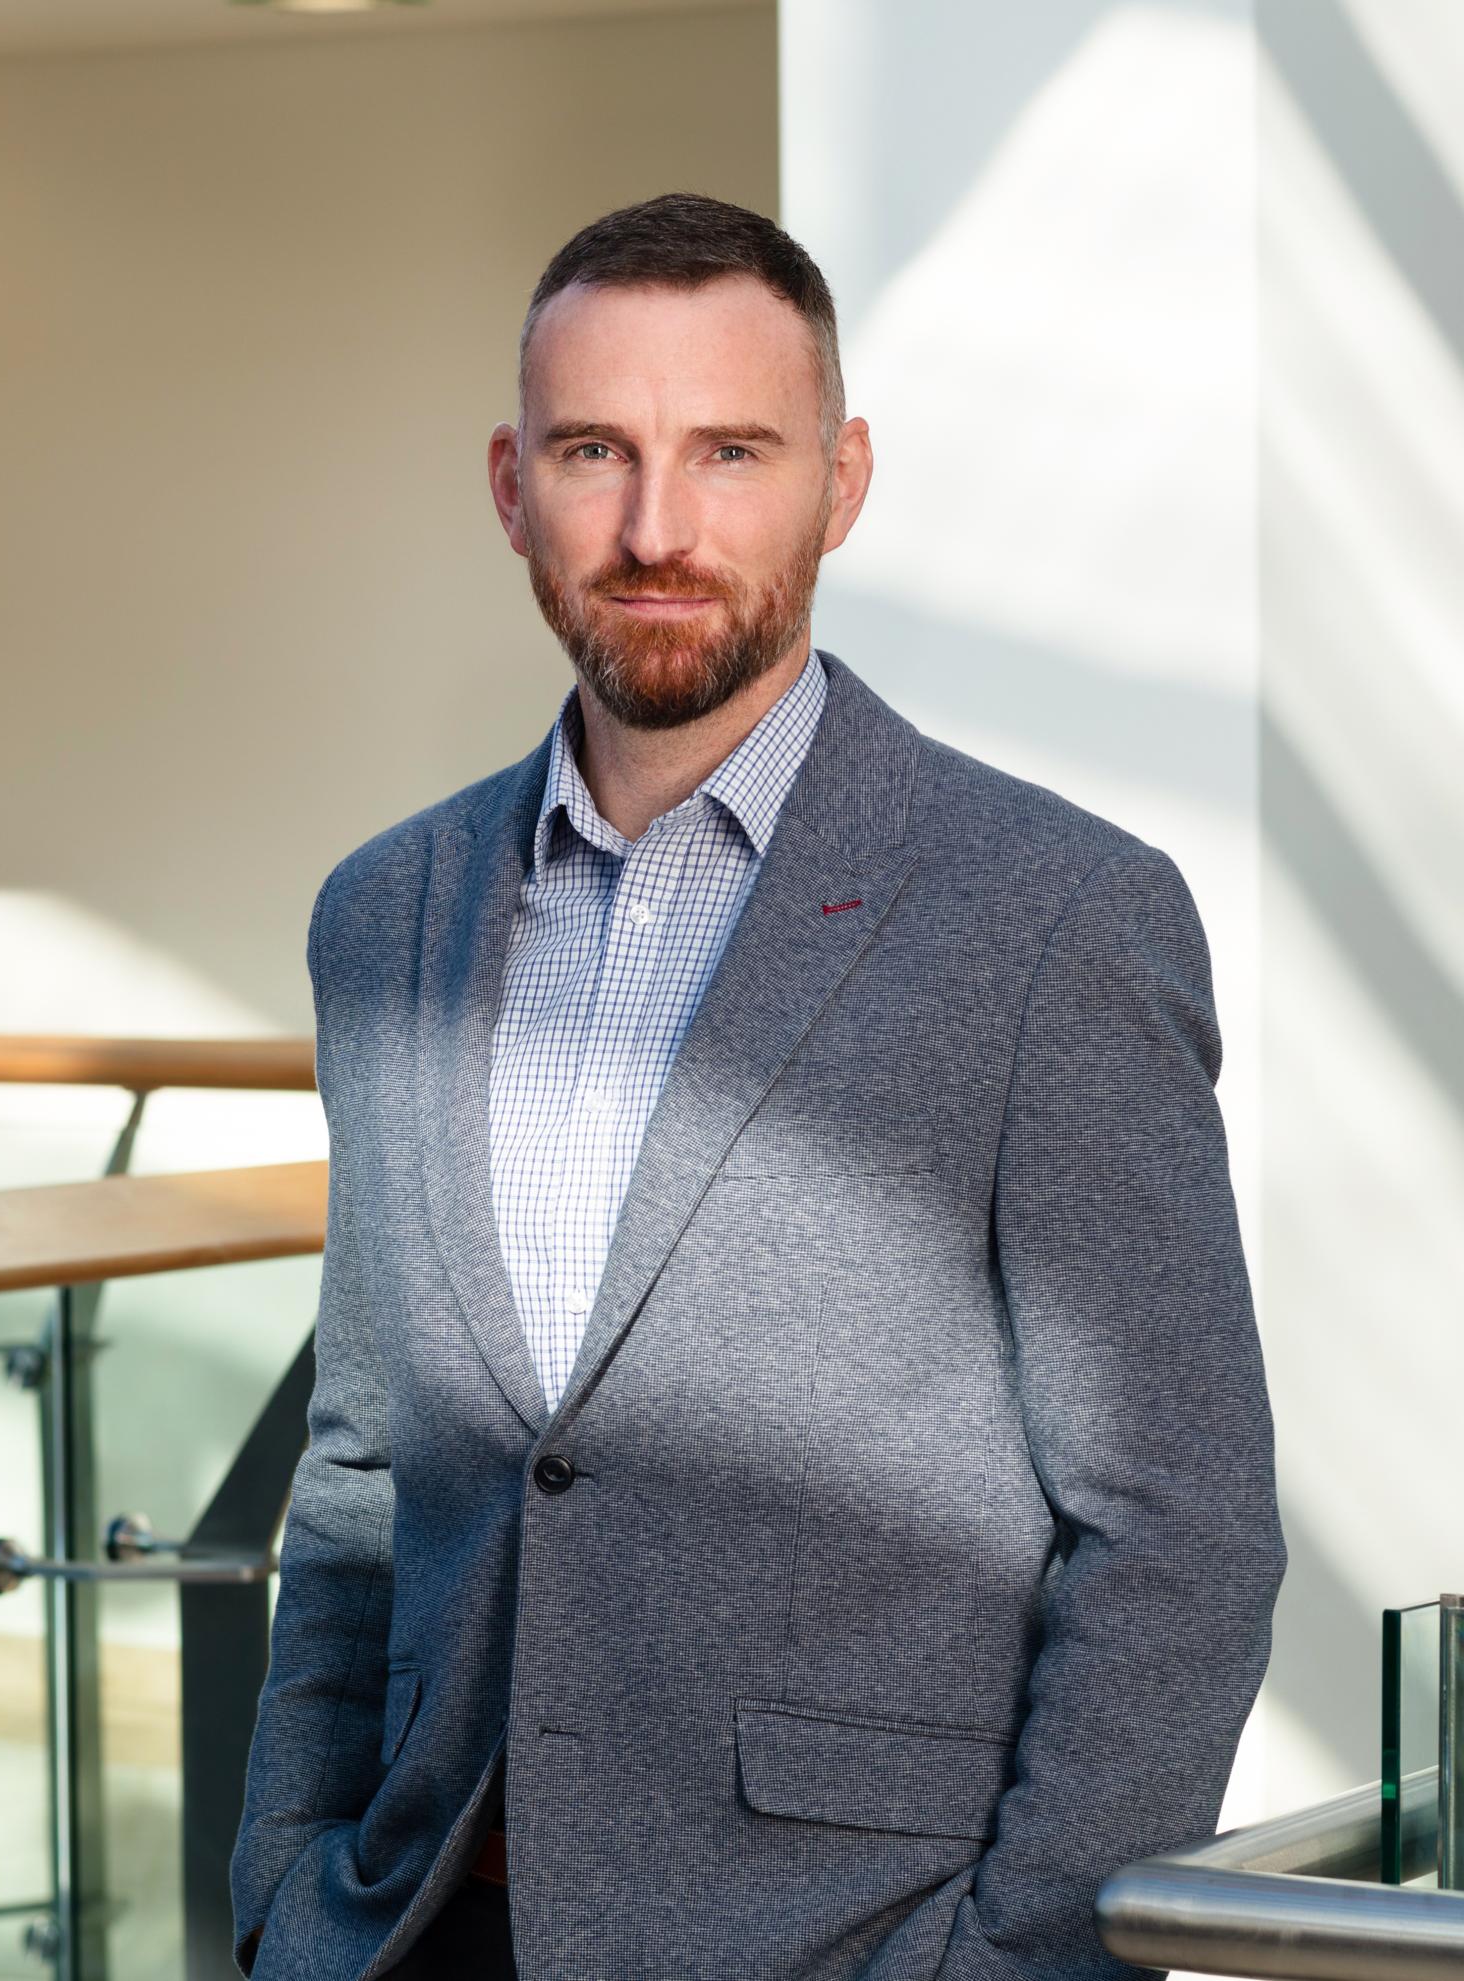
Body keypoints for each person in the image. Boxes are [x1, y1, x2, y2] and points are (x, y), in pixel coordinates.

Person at [230, 192, 1285, 1981]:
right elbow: (363, 1468)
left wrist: (1016, 1965)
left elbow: (1178, 1533)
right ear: (511, 486)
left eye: (731, 451)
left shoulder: (1057, 919)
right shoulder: (385, 913)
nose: (658, 527)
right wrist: (283, 1894)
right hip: (412, 1928)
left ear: (841, 482)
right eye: (595, 450)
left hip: (838, 1946)